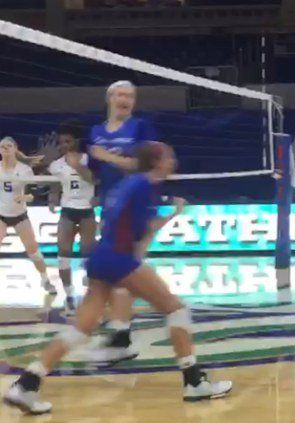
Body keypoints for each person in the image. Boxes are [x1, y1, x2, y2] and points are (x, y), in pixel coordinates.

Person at [2, 142, 233, 416]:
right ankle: (194, 381)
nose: (173, 161)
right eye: (168, 157)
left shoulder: (127, 184)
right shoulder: (145, 187)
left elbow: (112, 223)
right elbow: (141, 235)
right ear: (156, 162)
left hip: (100, 256)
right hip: (119, 258)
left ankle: (27, 384)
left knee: (80, 329)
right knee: (176, 309)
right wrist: (173, 214)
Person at [85, 80, 161, 364]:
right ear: (109, 98)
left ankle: (121, 333)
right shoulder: (96, 131)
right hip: (110, 207)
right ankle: (120, 331)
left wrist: (106, 156)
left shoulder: (140, 127)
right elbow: (93, 174)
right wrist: (78, 166)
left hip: (134, 206)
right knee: (115, 272)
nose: (125, 98)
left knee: (125, 267)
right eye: (120, 94)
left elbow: (143, 166)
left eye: (130, 95)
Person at [47, 120, 97, 303]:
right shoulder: (56, 165)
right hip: (67, 210)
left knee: (87, 250)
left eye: (68, 141)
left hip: (87, 210)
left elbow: (94, 180)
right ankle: (68, 293)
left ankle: (91, 288)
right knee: (63, 251)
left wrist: (77, 166)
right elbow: (55, 183)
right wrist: (53, 197)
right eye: (61, 142)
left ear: (76, 141)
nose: (64, 145)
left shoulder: (88, 159)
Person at [0, 137, 55, 295]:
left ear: (15, 149)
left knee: (33, 250)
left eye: (9, 146)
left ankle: (45, 280)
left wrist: (24, 197)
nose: (5, 149)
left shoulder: (24, 169)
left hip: (19, 215)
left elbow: (32, 195)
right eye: (2, 146)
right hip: (1, 215)